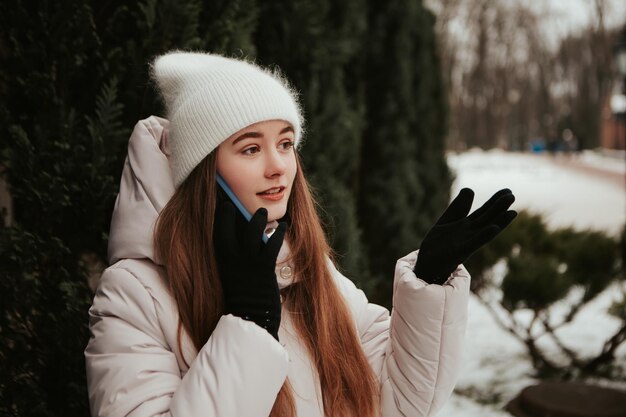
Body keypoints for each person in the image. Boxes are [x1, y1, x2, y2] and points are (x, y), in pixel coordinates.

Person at [84, 51, 516, 417]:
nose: (278, 166)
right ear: (202, 172)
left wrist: (429, 284)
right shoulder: (135, 295)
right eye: (251, 148)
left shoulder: (304, 268)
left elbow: (400, 403)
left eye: (286, 143)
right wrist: (248, 327)